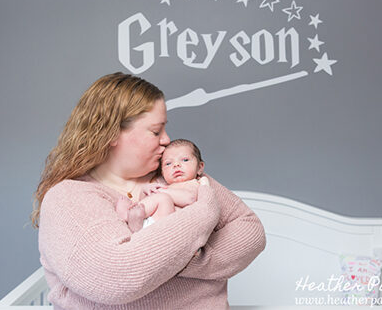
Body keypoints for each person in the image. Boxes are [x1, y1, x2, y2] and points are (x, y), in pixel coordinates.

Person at [34, 73, 266, 310]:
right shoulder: (69, 198)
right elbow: (117, 277)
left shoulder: (174, 174)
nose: (167, 140)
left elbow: (250, 230)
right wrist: (202, 216)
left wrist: (179, 260)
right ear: (112, 133)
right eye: (156, 131)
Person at [116, 139, 205, 233]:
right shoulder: (163, 185)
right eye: (168, 163)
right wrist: (145, 191)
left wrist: (160, 192)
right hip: (151, 223)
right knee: (158, 198)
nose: (176, 165)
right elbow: (147, 201)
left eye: (185, 160)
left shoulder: (195, 183)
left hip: (171, 230)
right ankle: (136, 223)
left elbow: (189, 199)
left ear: (199, 167)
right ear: (162, 172)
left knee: (163, 198)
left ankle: (128, 215)